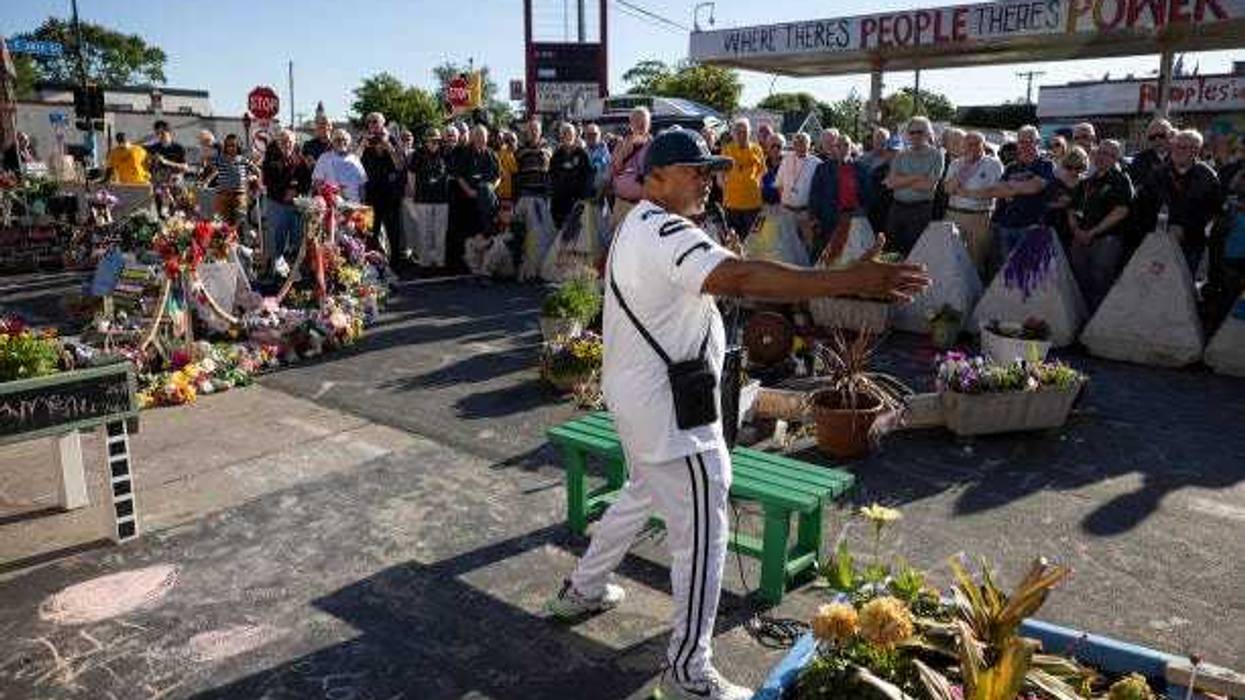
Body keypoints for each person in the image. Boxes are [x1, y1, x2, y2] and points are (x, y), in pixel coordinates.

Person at [544, 128, 930, 700]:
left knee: (641, 494)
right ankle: (687, 672)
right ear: (654, 179)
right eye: (694, 170)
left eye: (710, 169)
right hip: (674, 416)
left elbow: (719, 276)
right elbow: (742, 278)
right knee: (703, 534)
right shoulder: (667, 230)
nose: (707, 178)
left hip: (640, 402)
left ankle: (583, 586)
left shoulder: (637, 224)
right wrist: (852, 278)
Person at [1067, 140, 1133, 311]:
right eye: (1100, 152)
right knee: (1079, 284)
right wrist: (1076, 230)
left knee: (1100, 285)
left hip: (1106, 241)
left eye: (1109, 154)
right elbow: (1071, 208)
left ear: (1116, 158)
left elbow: (1121, 211)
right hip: (1080, 239)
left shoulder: (1121, 180)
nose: (1102, 157)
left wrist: (1093, 232)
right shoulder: (1087, 182)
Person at [985, 125, 1056, 273]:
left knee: (1029, 274)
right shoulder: (1011, 167)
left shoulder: (1046, 164)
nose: (1025, 145)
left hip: (1031, 227)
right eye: (1022, 141)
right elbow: (997, 190)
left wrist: (1011, 188)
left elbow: (1034, 187)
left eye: (1030, 141)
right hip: (1007, 226)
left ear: (1038, 142)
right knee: (1008, 272)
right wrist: (1019, 187)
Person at [1154, 129, 1223, 274]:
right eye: (1176, 146)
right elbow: (1145, 205)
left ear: (1195, 151)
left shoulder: (1208, 177)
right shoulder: (1159, 174)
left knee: (1184, 287)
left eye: (1184, 147)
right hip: (1159, 241)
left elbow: (1214, 212)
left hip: (1192, 244)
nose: (1178, 151)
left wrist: (1185, 229)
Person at [942, 131, 1005, 275]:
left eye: (975, 144)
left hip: (979, 217)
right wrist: (965, 169)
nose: (971, 147)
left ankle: (976, 292)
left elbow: (997, 190)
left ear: (983, 145)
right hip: (954, 214)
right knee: (951, 255)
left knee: (976, 258)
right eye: (968, 144)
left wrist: (968, 194)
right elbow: (948, 189)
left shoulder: (994, 164)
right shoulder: (956, 163)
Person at [883, 116, 944, 255]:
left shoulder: (936, 155)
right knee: (891, 249)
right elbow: (891, 183)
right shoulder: (901, 155)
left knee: (915, 251)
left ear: (928, 133)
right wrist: (917, 177)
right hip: (897, 208)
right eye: (912, 132)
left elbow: (928, 186)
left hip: (920, 210)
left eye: (920, 132)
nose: (915, 135)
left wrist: (902, 180)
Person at [358, 112, 407, 266]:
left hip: (390, 194)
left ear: (383, 123)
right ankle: (371, 266)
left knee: (393, 232)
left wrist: (388, 146)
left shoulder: (392, 139)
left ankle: (396, 265)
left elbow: (400, 165)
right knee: (369, 232)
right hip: (371, 193)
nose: (372, 124)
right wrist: (361, 146)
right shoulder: (364, 140)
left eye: (376, 121)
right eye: (370, 122)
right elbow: (354, 162)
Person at [809, 134, 868, 262]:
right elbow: (815, 194)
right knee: (826, 255)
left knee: (851, 256)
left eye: (846, 145)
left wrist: (863, 211)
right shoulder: (823, 168)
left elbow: (867, 194)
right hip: (829, 219)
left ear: (851, 147)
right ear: (834, 148)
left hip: (854, 218)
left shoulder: (861, 168)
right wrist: (813, 217)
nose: (842, 148)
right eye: (839, 145)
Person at [261, 128, 312, 275]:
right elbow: (268, 181)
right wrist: (285, 191)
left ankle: (293, 273)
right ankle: (275, 274)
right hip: (277, 204)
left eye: (289, 141)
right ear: (277, 143)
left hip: (296, 206)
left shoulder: (300, 160)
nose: (286, 144)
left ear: (294, 142)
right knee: (277, 241)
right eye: (283, 141)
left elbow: (306, 181)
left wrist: (296, 190)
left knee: (296, 240)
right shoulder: (270, 160)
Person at [454, 124, 501, 272]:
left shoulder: (492, 154)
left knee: (485, 233)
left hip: (486, 201)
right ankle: (472, 267)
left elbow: (498, 176)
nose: (481, 139)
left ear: (487, 138)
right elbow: (459, 176)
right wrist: (469, 191)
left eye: (483, 136)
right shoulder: (465, 153)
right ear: (472, 137)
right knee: (471, 234)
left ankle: (484, 266)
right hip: (469, 199)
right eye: (478, 136)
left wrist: (491, 188)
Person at [406, 128, 451, 269]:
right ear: (425, 140)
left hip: (442, 198)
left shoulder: (445, 152)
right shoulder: (418, 154)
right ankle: (425, 263)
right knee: (424, 232)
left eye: (436, 139)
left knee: (440, 232)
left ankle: (439, 263)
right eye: (431, 139)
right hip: (423, 198)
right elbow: (411, 174)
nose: (433, 142)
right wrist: (414, 192)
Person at [201, 134, 257, 232]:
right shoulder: (220, 159)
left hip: (239, 195)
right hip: (223, 195)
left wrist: (255, 179)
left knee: (240, 223)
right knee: (222, 224)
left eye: (233, 145)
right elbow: (212, 168)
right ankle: (224, 244)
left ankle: (239, 242)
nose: (231, 148)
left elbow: (256, 171)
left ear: (238, 146)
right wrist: (206, 181)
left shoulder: (244, 160)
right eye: (228, 146)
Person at [608, 106, 653, 231]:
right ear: (631, 124)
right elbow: (614, 171)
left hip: (644, 206)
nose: (639, 124)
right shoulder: (621, 144)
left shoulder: (654, 146)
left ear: (649, 124)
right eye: (636, 120)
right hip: (622, 205)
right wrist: (623, 153)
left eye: (642, 121)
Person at [719, 118, 765, 239]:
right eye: (738, 132)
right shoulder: (726, 150)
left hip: (753, 205)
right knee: (733, 240)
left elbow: (762, 174)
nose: (741, 135)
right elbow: (720, 176)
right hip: (732, 205)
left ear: (749, 133)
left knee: (752, 240)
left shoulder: (757, 149)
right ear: (733, 134)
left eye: (744, 132)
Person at [549, 122, 594, 230]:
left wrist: (584, 197)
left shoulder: (582, 154)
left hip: (577, 201)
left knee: (576, 232)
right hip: (559, 202)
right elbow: (551, 175)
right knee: (560, 232)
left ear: (574, 136)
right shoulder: (556, 155)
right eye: (564, 133)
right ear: (561, 136)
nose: (567, 136)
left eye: (569, 133)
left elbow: (589, 175)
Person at [311, 129, 367, 202]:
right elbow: (317, 182)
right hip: (333, 203)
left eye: (344, 139)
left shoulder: (355, 159)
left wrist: (362, 202)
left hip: (354, 203)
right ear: (332, 142)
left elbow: (362, 184)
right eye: (337, 139)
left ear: (349, 142)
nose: (341, 142)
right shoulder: (324, 158)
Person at [866, 135, 901, 235]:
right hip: (881, 221)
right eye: (890, 150)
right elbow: (872, 200)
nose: (894, 154)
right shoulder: (876, 173)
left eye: (896, 151)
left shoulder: (909, 171)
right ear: (885, 152)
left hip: (902, 220)